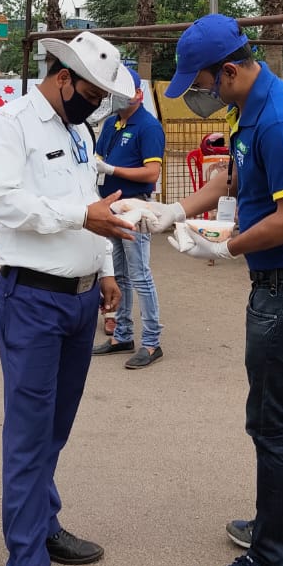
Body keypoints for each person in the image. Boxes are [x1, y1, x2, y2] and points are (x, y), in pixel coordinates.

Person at [139, 14, 283, 566]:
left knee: (271, 421)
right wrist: (175, 212)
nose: (196, 95)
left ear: (229, 70)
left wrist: (224, 247)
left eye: (199, 83)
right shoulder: (249, 108)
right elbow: (230, 179)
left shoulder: (275, 120)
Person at [0, 31, 137, 566]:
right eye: (92, 93)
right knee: (26, 438)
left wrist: (107, 269)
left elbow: (95, 200)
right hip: (31, 302)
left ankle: (44, 526)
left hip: (80, 299)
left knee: (54, 431)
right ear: (63, 78)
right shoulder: (7, 124)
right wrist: (81, 217)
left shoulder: (78, 131)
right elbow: (6, 206)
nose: (96, 104)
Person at [91, 65, 167, 369]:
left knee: (140, 275)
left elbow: (152, 171)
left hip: (135, 207)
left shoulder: (148, 127)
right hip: (109, 205)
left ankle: (152, 342)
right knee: (118, 274)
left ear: (138, 94)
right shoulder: (112, 124)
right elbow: (99, 156)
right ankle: (122, 334)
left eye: (122, 93)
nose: (116, 98)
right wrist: (98, 165)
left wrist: (112, 170)